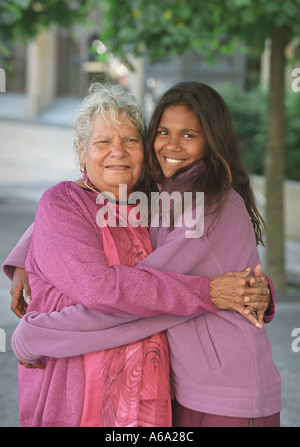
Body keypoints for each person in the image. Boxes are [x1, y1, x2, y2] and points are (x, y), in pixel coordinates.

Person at [3, 82, 277, 427]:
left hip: (191, 392)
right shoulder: (108, 198)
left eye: (131, 141)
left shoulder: (176, 202)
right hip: (129, 390)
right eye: (103, 142)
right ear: (82, 150)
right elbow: (73, 217)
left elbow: (145, 290)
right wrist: (27, 254)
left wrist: (246, 288)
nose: (118, 152)